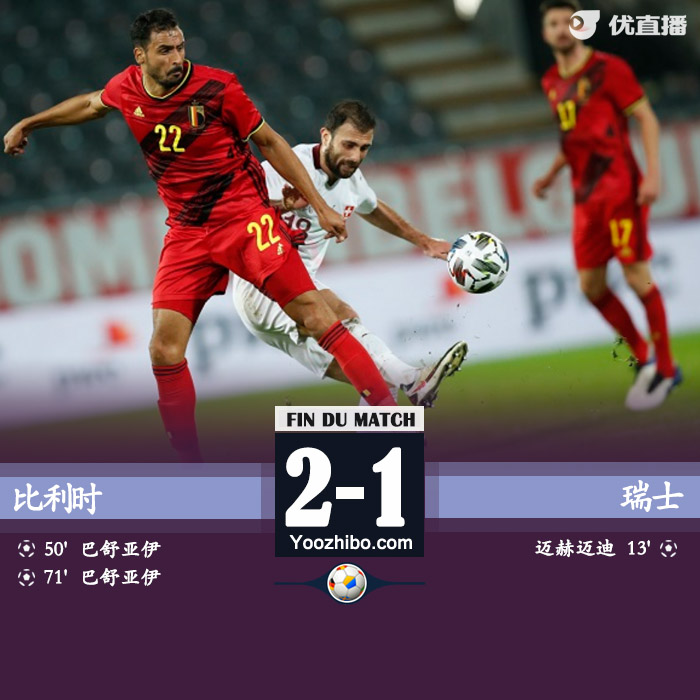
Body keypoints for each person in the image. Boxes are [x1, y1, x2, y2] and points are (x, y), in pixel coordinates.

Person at [3, 8, 398, 462]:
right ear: (140, 56)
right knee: (163, 349)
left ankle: (388, 418)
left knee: (315, 315)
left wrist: (322, 206)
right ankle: (189, 466)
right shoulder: (126, 88)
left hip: (243, 219)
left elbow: (270, 142)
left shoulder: (217, 88)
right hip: (187, 232)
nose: (177, 58)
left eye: (180, 48)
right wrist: (29, 123)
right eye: (164, 50)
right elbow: (92, 103)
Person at [233, 100, 468, 407]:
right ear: (326, 136)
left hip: (295, 291)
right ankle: (412, 379)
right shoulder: (286, 165)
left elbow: (372, 207)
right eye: (349, 145)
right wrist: (283, 204)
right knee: (342, 313)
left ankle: (373, 429)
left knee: (374, 380)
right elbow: (232, 206)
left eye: (364, 148)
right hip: (263, 285)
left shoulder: (352, 182)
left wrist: (424, 242)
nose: (355, 156)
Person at [533, 0, 681, 411]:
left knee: (637, 276)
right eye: (553, 23)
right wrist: (551, 174)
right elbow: (575, 137)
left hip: (620, 189)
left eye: (569, 21)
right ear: (544, 33)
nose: (561, 28)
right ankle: (644, 358)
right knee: (591, 287)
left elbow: (647, 118)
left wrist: (653, 174)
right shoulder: (551, 81)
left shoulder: (608, 69)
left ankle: (665, 369)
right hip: (584, 199)